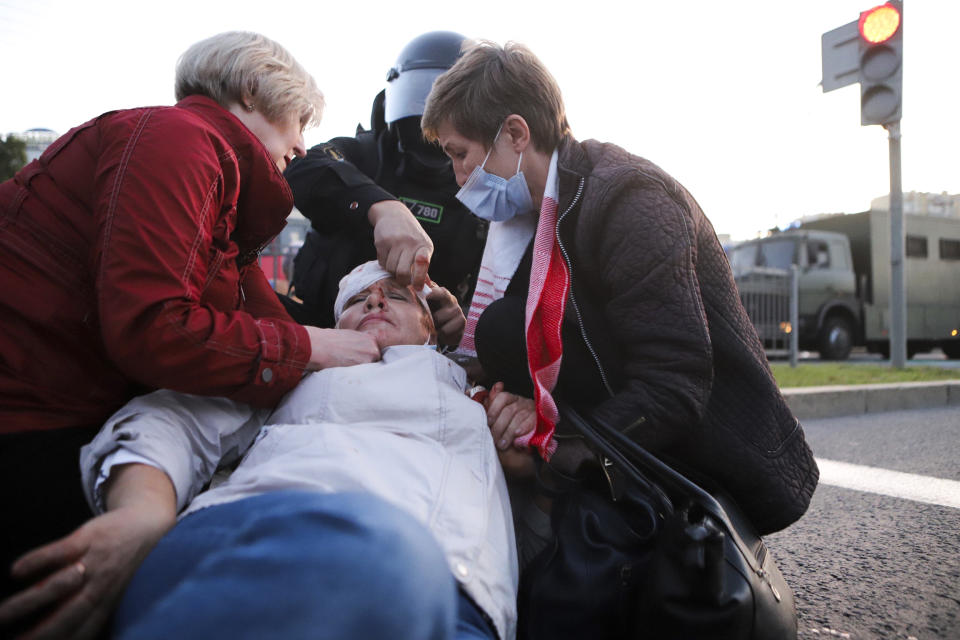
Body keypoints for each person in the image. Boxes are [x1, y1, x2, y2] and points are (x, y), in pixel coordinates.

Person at [0, 31, 395, 599]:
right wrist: (319, 347)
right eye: (299, 121)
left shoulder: (222, 202)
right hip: (28, 421)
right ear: (254, 89)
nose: (303, 147)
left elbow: (267, 329)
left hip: (58, 412)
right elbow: (152, 326)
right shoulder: (178, 139)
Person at [421, 41, 819, 539]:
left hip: (711, 454)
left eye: (461, 155)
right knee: (501, 326)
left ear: (516, 133)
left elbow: (674, 386)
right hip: (632, 422)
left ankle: (561, 514)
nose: (459, 178)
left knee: (506, 329)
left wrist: (552, 442)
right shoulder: (535, 216)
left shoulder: (631, 201)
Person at [0, 261, 517, 640]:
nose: (376, 302)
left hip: (460, 603)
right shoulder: (294, 371)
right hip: (248, 538)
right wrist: (143, 513)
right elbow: (170, 420)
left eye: (397, 297)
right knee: (381, 556)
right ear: (335, 326)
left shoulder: (484, 401)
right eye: (360, 300)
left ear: (432, 329)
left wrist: (541, 453)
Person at [283, 31, 487, 341]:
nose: (429, 119)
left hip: (416, 347)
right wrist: (379, 207)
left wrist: (460, 320)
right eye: (423, 95)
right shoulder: (364, 154)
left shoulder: (481, 191)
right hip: (320, 328)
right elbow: (302, 166)